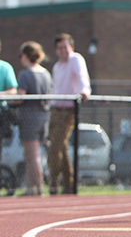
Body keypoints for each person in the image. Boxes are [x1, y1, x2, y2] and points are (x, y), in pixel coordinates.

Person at [48, 33, 91, 194]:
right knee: (61, 148)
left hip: (68, 110)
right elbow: (56, 88)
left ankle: (53, 180)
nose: (62, 51)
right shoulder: (57, 66)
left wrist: (84, 91)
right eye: (59, 48)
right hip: (55, 109)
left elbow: (82, 78)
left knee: (55, 146)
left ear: (71, 47)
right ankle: (69, 184)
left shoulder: (76, 60)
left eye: (65, 47)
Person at [13, 41, 52, 196]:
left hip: (29, 118)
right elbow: (49, 99)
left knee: (33, 154)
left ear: (26, 55)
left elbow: (20, 98)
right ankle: (31, 187)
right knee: (33, 154)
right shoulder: (46, 74)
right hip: (43, 117)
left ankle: (39, 187)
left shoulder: (25, 74)